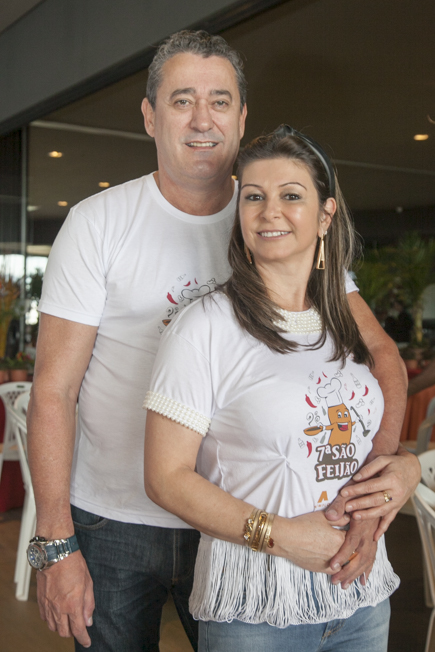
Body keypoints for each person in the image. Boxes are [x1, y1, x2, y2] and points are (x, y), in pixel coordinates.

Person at [27, 30, 414, 652]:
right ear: (150, 116)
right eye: (182, 100)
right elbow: (54, 389)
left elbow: (381, 355)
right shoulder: (98, 224)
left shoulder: (275, 216)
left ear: (241, 116)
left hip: (239, 526)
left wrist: (382, 473)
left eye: (220, 101)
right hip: (117, 520)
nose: (202, 119)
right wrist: (55, 540)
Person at [144, 127, 416, 651]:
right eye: (254, 197)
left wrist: (399, 468)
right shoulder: (205, 326)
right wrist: (285, 538)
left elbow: (371, 406)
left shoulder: (344, 320)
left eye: (291, 195)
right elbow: (165, 479)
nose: (270, 212)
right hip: (257, 610)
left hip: (362, 601)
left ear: (326, 215)